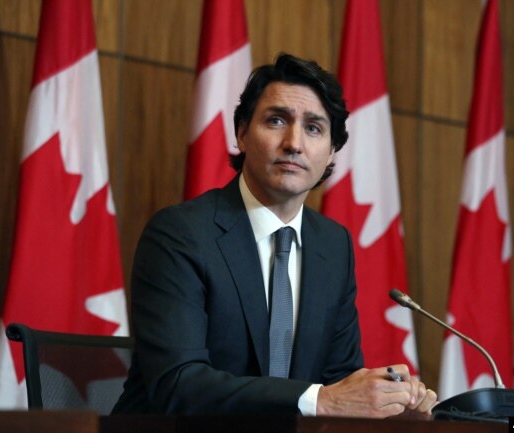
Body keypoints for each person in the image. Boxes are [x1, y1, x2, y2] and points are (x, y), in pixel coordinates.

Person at [113, 53, 438, 418]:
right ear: (242, 134)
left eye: (314, 128)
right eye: (276, 120)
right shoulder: (181, 235)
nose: (294, 143)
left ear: (332, 151)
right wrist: (322, 400)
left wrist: (389, 407)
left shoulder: (333, 245)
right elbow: (178, 384)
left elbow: (340, 380)